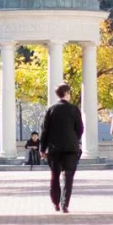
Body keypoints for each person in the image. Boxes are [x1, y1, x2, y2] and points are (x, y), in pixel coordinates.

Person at [40, 83, 83, 213]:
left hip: (54, 148)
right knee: (68, 176)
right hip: (71, 147)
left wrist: (42, 148)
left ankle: (55, 202)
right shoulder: (74, 109)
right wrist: (74, 139)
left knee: (55, 175)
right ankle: (65, 204)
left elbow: (45, 130)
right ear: (66, 93)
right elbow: (80, 129)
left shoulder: (51, 109)